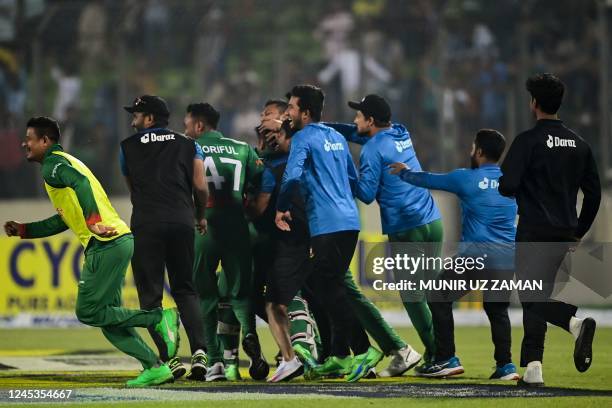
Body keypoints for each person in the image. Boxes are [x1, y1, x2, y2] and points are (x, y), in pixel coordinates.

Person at [4, 116, 179, 387]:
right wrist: (26, 231)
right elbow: (64, 218)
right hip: (116, 240)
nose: (23, 143)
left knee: (88, 312)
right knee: (108, 319)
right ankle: (154, 367)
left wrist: (92, 222)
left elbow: (81, 185)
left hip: (105, 243)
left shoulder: (53, 165)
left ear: (45, 141)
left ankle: (158, 317)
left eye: (29, 138)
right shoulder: (67, 162)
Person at [390, 129, 519, 380]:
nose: (471, 151)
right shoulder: (512, 181)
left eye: (473, 147)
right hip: (505, 257)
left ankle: (446, 358)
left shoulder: (466, 178)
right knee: (497, 310)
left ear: (479, 151)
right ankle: (506, 366)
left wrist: (404, 171)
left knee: (437, 294)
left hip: (475, 256)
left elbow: (429, 179)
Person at [498, 73, 601, 387]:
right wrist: (579, 231)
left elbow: (507, 186)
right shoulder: (579, 144)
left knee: (530, 298)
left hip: (533, 233)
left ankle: (574, 322)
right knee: (538, 297)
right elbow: (594, 193)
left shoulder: (528, 141)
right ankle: (533, 367)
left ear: (534, 104)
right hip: (564, 235)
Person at [326, 94, 440, 369]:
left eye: (359, 115)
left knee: (413, 298)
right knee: (431, 295)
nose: (354, 120)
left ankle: (441, 356)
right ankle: (443, 353)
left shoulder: (371, 150)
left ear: (371, 120)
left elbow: (365, 194)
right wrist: (326, 127)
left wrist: (344, 169)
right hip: (432, 220)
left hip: (406, 227)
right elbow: (357, 133)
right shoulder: (401, 131)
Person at [120, 95, 209, 381]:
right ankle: (200, 353)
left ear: (149, 119)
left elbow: (133, 190)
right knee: (185, 289)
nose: (133, 118)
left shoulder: (127, 147)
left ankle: (170, 359)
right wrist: (199, 215)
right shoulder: (188, 144)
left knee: (151, 296)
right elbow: (200, 186)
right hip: (182, 221)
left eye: (137, 113)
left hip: (146, 222)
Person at [275, 84, 361, 379]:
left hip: (326, 224)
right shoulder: (336, 137)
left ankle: (362, 351)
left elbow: (291, 177)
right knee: (327, 284)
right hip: (350, 220)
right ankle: (339, 355)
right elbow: (353, 178)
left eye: (291, 108)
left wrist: (281, 206)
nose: (287, 113)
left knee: (323, 286)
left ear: (305, 113)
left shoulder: (303, 138)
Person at [184, 102, 269, 381]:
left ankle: (215, 361)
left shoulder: (187, 148)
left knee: (206, 296)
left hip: (203, 227)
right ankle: (252, 342)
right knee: (241, 293)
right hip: (236, 226)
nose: (185, 129)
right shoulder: (242, 148)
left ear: (199, 125)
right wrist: (251, 202)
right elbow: (263, 177)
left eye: (187, 124)